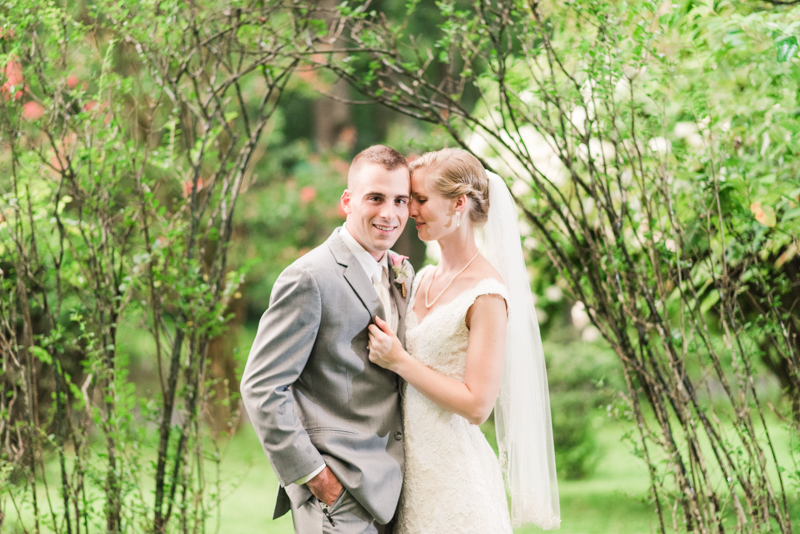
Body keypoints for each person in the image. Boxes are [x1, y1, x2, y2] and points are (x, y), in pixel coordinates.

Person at [367, 148, 561, 533]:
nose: (411, 211)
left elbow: (477, 405)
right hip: (411, 481)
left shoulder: (487, 295)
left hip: (456, 484)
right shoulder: (420, 277)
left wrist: (400, 361)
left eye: (420, 199)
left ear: (458, 203)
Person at [240, 145, 415, 533]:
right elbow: (261, 387)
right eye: (376, 198)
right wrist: (316, 477)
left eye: (400, 200)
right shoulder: (309, 277)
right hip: (340, 498)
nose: (390, 213)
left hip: (397, 491)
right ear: (347, 201)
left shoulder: (401, 271)